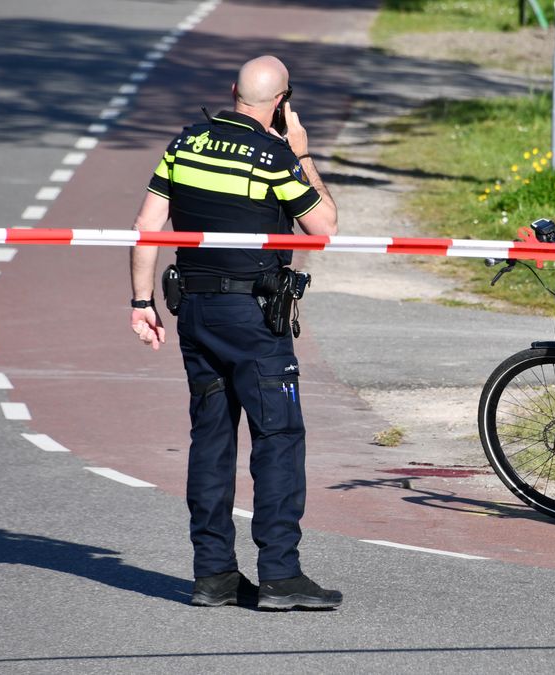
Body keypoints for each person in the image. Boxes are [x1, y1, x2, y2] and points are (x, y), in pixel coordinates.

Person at [127, 55, 341, 610]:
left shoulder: (187, 143)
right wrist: (302, 154)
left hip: (195, 310)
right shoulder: (273, 155)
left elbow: (148, 225)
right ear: (282, 101)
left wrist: (140, 301)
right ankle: (279, 575)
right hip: (253, 315)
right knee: (277, 438)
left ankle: (214, 575)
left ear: (233, 92)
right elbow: (324, 227)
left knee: (212, 440)